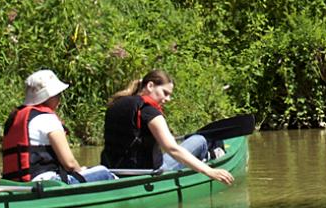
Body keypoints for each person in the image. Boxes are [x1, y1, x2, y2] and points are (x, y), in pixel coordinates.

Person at [101, 69, 235, 186]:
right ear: (150, 85)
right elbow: (172, 149)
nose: (168, 99)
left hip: (114, 170)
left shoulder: (116, 104)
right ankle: (208, 156)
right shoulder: (149, 111)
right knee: (199, 140)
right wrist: (209, 171)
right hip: (145, 173)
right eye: (165, 93)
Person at [2, 69, 116, 184]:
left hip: (16, 185)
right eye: (57, 95)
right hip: (47, 184)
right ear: (48, 96)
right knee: (104, 172)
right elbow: (70, 164)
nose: (59, 99)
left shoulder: (13, 118)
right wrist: (80, 171)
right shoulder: (47, 118)